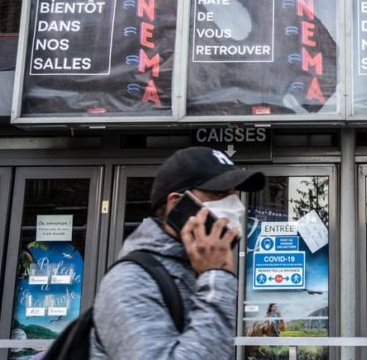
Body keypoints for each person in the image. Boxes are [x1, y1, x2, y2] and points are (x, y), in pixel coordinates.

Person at [90, 146, 265, 359]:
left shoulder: (196, 267)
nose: (236, 206)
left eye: (233, 194)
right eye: (220, 194)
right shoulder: (131, 281)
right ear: (176, 203)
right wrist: (216, 280)